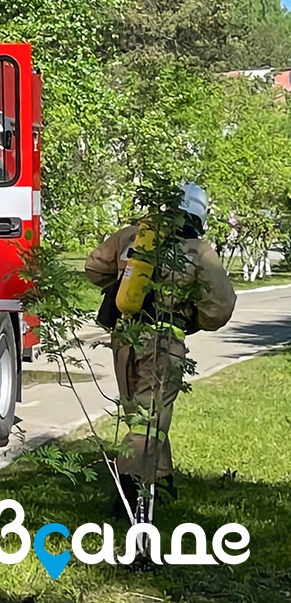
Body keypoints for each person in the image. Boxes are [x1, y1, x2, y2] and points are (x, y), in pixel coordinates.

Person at [84, 182, 236, 505]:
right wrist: (190, 320)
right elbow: (220, 307)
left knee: (138, 412)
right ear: (198, 215)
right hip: (164, 342)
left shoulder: (132, 236)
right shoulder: (199, 250)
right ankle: (128, 494)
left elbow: (94, 267)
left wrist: (126, 284)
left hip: (125, 337)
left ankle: (161, 479)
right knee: (150, 420)